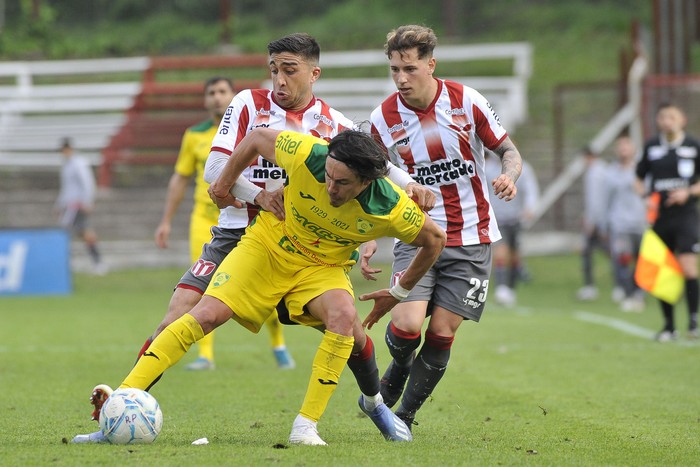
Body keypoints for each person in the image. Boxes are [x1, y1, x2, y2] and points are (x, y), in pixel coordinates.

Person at [74, 32, 433, 442]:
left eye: (289, 71)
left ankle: (376, 405)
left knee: (350, 332)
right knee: (180, 314)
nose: (279, 80)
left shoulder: (337, 125)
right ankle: (120, 408)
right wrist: (259, 196)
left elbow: (374, 167)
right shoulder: (247, 105)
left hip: (309, 245)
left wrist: (411, 186)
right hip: (237, 232)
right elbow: (214, 171)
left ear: (314, 74)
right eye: (274, 70)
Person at [365, 25, 522, 432]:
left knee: (439, 332)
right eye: (395, 69)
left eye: (410, 69)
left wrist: (509, 176)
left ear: (431, 65)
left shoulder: (467, 102)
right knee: (405, 325)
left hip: (473, 239)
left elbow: (508, 149)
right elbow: (373, 182)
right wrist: (367, 236)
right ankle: (398, 368)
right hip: (417, 236)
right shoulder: (383, 117)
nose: (401, 78)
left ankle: (403, 418)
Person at [153, 76, 294, 371]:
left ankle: (278, 344)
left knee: (263, 289)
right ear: (205, 100)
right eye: (211, 93)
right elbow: (180, 177)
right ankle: (205, 354)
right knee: (195, 292)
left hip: (256, 219)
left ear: (232, 96)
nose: (217, 98)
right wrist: (166, 220)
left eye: (222, 92)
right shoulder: (194, 135)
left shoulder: (256, 126)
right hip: (206, 219)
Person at [635, 103, 700, 341]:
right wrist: (645, 198)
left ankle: (693, 321)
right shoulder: (652, 146)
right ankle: (669, 326)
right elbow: (638, 179)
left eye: (671, 116)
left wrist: (689, 193)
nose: (666, 121)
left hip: (686, 216)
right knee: (663, 271)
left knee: (688, 266)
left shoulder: (693, 145)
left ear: (681, 119)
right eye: (662, 116)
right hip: (660, 218)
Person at [485, 152, 539, 307]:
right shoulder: (488, 169)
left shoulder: (524, 169)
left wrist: (530, 208)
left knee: (515, 256)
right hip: (497, 219)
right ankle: (501, 288)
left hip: (516, 218)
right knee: (501, 252)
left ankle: (511, 289)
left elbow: (531, 190)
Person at [604, 134, 646, 312]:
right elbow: (606, 198)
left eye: (626, 146)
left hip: (641, 222)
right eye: (620, 147)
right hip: (619, 223)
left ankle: (639, 293)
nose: (623, 150)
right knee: (623, 259)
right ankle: (628, 293)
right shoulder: (611, 172)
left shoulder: (642, 169)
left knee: (641, 261)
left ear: (633, 149)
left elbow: (649, 194)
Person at [54, 137, 107, 275]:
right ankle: (70, 262)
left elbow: (87, 183)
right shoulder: (66, 165)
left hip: (78, 205)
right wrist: (59, 204)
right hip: (69, 206)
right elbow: (66, 188)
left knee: (84, 231)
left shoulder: (79, 163)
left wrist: (87, 201)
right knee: (77, 232)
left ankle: (97, 261)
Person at [576, 145, 611, 301]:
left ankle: (591, 287)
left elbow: (595, 200)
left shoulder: (595, 173)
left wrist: (592, 221)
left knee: (590, 252)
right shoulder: (605, 170)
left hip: (598, 222)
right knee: (609, 252)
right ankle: (623, 285)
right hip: (603, 219)